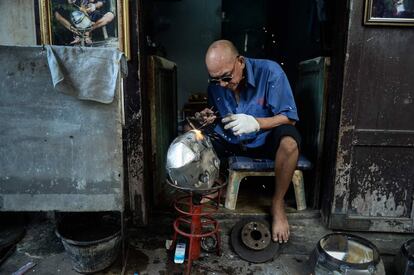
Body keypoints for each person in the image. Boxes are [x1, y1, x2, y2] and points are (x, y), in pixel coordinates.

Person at [199, 40, 300, 244]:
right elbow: (219, 114)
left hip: (265, 141)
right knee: (196, 136)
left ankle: (277, 204)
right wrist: (210, 116)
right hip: (234, 142)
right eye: (215, 79)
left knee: (289, 143)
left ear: (241, 61)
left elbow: (290, 118)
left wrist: (256, 123)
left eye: (227, 77)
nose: (223, 84)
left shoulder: (270, 72)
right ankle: (217, 185)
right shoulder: (218, 84)